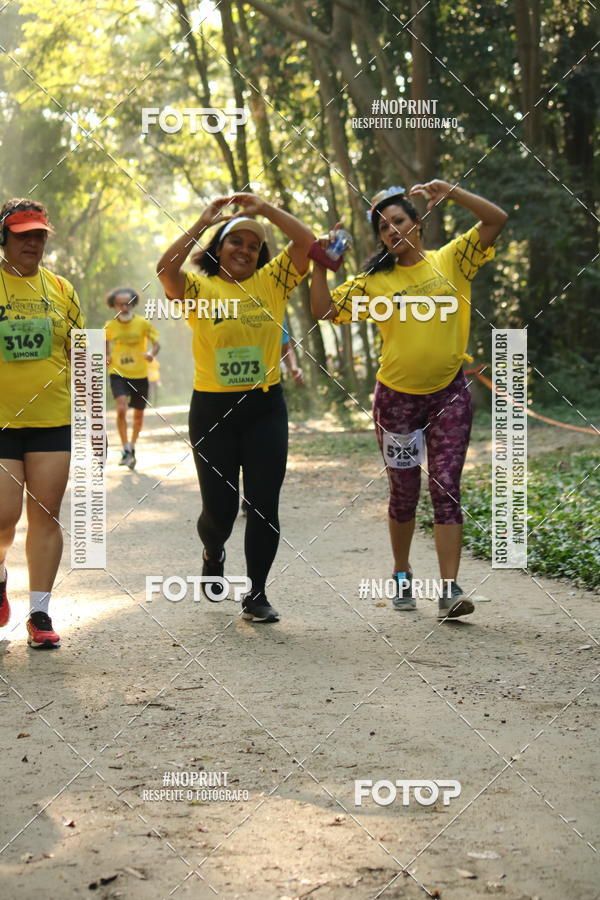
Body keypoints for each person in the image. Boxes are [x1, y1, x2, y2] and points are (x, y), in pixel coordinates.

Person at [310, 180, 507, 619]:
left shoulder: (452, 259)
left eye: (398, 220)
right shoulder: (375, 281)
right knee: (404, 492)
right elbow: (324, 310)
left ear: (417, 222)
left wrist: (453, 192)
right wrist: (320, 266)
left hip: (449, 395)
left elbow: (496, 220)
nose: (391, 230)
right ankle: (402, 572)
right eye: (383, 228)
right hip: (397, 403)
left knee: (446, 486)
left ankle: (450, 590)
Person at [156, 192, 314, 623]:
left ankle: (256, 593)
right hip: (213, 412)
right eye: (235, 242)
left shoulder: (274, 281)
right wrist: (203, 221)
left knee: (264, 504)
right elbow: (166, 269)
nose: (245, 250)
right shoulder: (198, 288)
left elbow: (307, 243)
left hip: (265, 408)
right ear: (219, 248)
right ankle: (213, 550)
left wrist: (265, 209)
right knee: (220, 512)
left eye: (253, 245)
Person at [0, 198, 85, 648]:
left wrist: (93, 421)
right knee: (3, 515)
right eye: (22, 235)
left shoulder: (61, 289)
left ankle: (39, 613)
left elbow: (80, 355)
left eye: (39, 235)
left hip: (51, 419)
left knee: (45, 514)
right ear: (4, 238)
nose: (32, 243)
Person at [104, 287, 160, 469]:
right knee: (121, 408)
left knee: (138, 415)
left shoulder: (143, 323)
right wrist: (106, 355)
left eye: (127, 303)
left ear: (133, 303)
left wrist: (151, 354)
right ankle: (125, 447)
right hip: (118, 372)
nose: (124, 307)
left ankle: (132, 446)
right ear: (114, 305)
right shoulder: (110, 325)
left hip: (140, 373)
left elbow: (156, 344)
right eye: (120, 304)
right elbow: (104, 341)